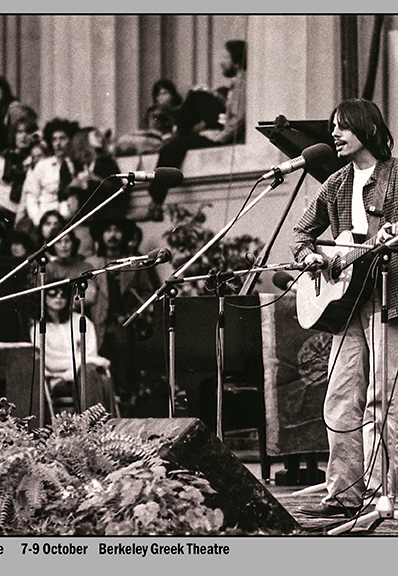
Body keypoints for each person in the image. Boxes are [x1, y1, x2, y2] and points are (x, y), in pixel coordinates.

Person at [290, 98, 398, 518]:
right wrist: (312, 259)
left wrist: (397, 236)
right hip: (345, 304)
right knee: (339, 398)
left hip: (390, 299)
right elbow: (301, 235)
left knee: (382, 400)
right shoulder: (334, 183)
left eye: (342, 127)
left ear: (366, 129)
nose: (333, 134)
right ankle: (342, 494)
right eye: (333, 127)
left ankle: (377, 496)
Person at [144, 39, 247, 221]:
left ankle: (155, 201)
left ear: (237, 61)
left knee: (172, 148)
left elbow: (237, 121)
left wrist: (218, 136)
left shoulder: (241, 84)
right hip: (217, 129)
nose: (221, 62)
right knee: (196, 96)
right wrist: (214, 97)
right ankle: (178, 131)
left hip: (222, 136)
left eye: (225, 57)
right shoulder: (237, 83)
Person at [85, 217, 156, 407]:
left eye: (117, 230)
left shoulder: (135, 263)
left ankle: (124, 401)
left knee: (123, 358)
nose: (113, 235)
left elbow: (147, 292)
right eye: (108, 230)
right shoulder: (91, 263)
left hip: (126, 324)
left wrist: (134, 313)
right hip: (97, 323)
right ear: (100, 234)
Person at [33, 284, 116, 418]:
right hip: (58, 378)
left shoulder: (82, 321)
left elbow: (90, 352)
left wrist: (77, 368)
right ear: (44, 298)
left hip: (85, 372)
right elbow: (49, 361)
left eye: (63, 294)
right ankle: (97, 424)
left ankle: (90, 424)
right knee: (94, 374)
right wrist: (75, 368)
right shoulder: (38, 329)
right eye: (53, 294)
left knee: (92, 374)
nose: (58, 298)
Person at [21, 117, 80, 227]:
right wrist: (38, 220)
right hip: (45, 222)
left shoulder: (77, 166)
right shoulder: (43, 166)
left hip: (71, 222)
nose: (58, 143)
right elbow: (32, 197)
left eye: (62, 139)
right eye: (54, 139)